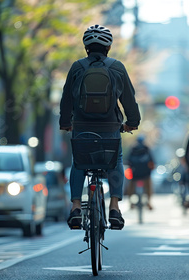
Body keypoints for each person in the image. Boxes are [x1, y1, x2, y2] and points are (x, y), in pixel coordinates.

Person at [59, 24, 141, 230]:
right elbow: (129, 100)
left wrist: (65, 123)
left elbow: (66, 99)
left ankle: (76, 207)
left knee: (78, 162)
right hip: (110, 128)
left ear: (86, 46)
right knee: (116, 160)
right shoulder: (117, 68)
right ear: (109, 47)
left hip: (81, 127)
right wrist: (132, 122)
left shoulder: (77, 67)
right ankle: (114, 207)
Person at [126, 135, 155, 210]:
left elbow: (128, 161)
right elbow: (151, 160)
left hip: (135, 172)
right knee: (148, 185)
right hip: (145, 173)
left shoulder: (133, 148)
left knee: (131, 185)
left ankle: (130, 203)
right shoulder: (146, 148)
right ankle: (149, 202)